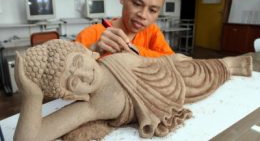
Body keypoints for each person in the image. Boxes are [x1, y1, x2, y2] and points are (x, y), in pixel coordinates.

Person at [14, 39, 252, 141]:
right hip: (172, 91)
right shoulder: (93, 104)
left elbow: (150, 61)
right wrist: (32, 97)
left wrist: (172, 61)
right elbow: (29, 138)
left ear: (85, 52)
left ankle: (230, 64)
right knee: (201, 78)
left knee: (190, 65)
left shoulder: (108, 59)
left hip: (168, 68)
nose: (86, 75)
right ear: (73, 96)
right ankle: (229, 65)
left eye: (78, 63)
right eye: (74, 82)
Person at [76, 0, 174, 57]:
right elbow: (67, 69)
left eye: (152, 10)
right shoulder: (89, 34)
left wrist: (137, 52)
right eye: (137, 4)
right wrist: (93, 50)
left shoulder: (152, 32)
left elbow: (173, 61)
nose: (143, 15)